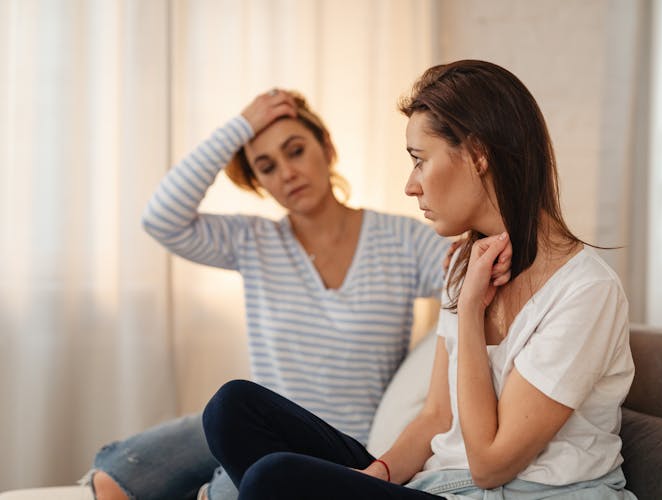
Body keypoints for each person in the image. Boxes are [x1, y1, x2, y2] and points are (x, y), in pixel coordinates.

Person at [201, 60, 637, 499]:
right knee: (231, 408)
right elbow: (435, 417)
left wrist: (469, 311)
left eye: (419, 161)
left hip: (511, 493)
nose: (411, 186)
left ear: (478, 155)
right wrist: (377, 477)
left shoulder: (585, 291)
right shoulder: (467, 266)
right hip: (436, 485)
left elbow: (489, 465)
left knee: (269, 480)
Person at [87, 89, 468, 500]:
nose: (287, 173)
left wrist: (472, 260)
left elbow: (464, 274)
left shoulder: (402, 241)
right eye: (266, 166)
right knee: (111, 481)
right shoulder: (253, 242)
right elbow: (161, 219)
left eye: (296, 151)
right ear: (258, 182)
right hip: (254, 422)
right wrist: (240, 127)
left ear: (326, 147)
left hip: (333, 446)